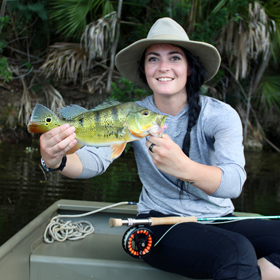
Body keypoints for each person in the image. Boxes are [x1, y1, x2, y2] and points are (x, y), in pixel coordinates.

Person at [39, 17, 280, 279]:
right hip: (158, 224)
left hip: (220, 218)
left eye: (175, 57)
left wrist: (184, 167)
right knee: (236, 251)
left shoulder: (220, 116)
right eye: (153, 58)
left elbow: (233, 183)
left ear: (190, 67)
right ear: (144, 69)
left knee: (245, 251)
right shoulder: (130, 116)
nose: (163, 67)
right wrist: (55, 160)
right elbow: (93, 161)